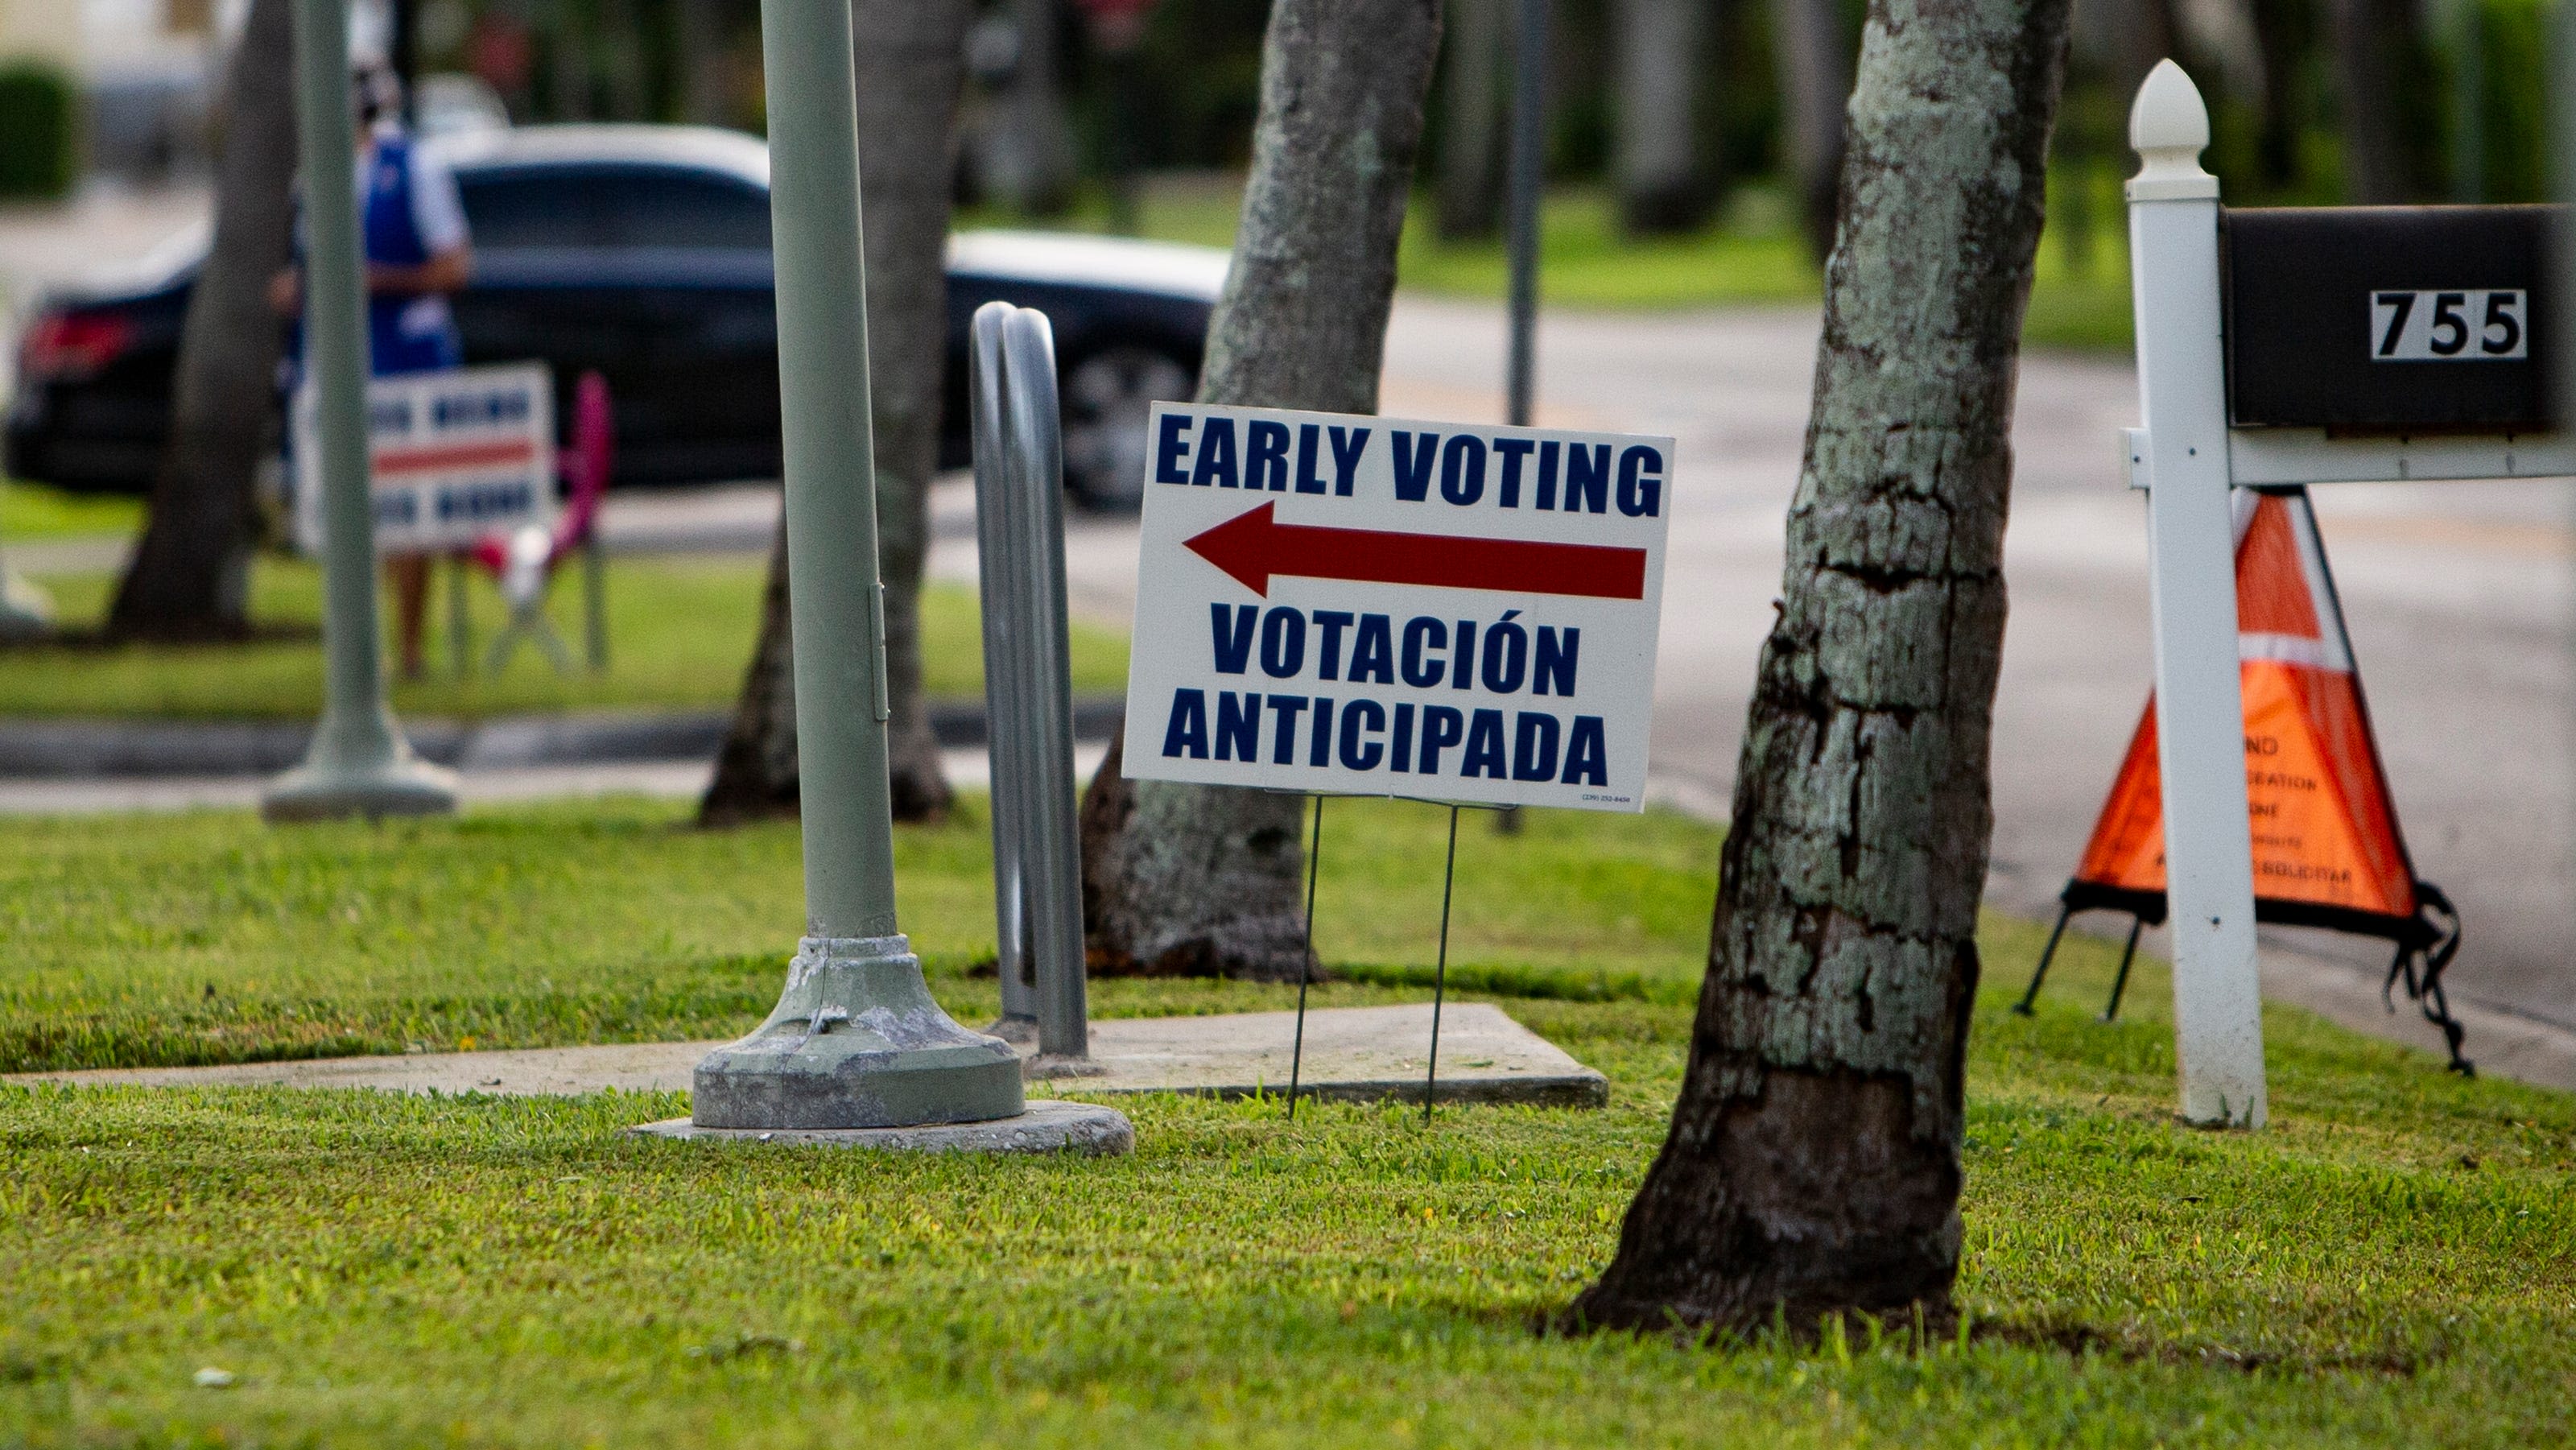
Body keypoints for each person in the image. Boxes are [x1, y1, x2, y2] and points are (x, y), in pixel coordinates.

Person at [272, 65, 473, 680]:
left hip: (407, 362)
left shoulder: (415, 168)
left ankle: (408, 648)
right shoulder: (316, 179)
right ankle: (361, 652)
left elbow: (454, 266)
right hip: (338, 364)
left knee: (411, 511)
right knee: (347, 511)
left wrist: (381, 280)